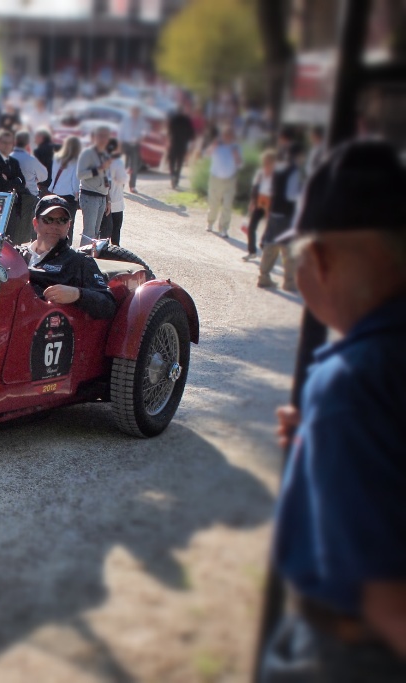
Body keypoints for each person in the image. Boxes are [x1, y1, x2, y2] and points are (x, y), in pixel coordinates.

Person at [261, 139, 406, 682]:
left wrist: (336, 417)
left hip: (346, 653)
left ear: (320, 260)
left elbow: (391, 607)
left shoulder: (351, 381)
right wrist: (322, 438)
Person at [18, 195, 117, 320]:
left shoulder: (79, 261)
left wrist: (76, 294)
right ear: (36, 223)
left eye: (62, 220)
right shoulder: (17, 255)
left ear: (68, 225)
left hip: (49, 326)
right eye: (48, 219)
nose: (54, 226)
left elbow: (108, 304)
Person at [258, 144, 305, 291]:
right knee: (288, 249)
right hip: (286, 214)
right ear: (298, 155)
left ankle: (264, 276)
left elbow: (271, 190)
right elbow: (291, 195)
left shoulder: (278, 168)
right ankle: (289, 282)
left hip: (274, 211)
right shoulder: (294, 171)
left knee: (271, 245)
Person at [0, 129, 32, 244]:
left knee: (11, 241)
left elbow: (22, 182)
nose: (7, 146)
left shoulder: (14, 162)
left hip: (13, 207)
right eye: (4, 143)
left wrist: (11, 181)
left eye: (9, 143)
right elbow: (0, 186)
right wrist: (15, 181)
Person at [76, 126, 113, 246]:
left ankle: (91, 255)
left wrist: (108, 200)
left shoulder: (106, 154)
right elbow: (80, 174)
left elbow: (107, 178)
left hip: (102, 197)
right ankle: (83, 256)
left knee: (96, 233)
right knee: (89, 233)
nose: (103, 139)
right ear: (94, 137)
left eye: (106, 136)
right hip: (89, 196)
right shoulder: (87, 153)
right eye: (100, 136)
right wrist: (98, 169)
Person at [205, 126, 242, 237]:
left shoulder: (235, 148)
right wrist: (213, 147)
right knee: (214, 203)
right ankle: (210, 222)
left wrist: (237, 156)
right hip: (215, 178)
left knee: (227, 205)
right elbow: (206, 155)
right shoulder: (217, 145)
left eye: (230, 135)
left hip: (230, 180)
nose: (227, 137)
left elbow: (240, 164)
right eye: (225, 135)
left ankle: (224, 228)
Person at [243, 149, 276, 262]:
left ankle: (263, 245)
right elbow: (255, 188)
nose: (266, 164)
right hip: (259, 201)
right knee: (251, 227)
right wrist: (252, 202)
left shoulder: (277, 175)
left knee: (269, 228)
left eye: (268, 162)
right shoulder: (260, 173)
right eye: (265, 162)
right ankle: (252, 251)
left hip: (271, 203)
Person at [166, 102, 196, 189]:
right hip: (182, 144)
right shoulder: (187, 121)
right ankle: (176, 178)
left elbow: (169, 132)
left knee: (172, 161)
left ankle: (173, 174)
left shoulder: (173, 120)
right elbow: (191, 134)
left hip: (174, 143)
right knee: (179, 163)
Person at [103, 138, 127, 246]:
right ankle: (115, 252)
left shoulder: (102, 160)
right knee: (116, 231)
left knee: (104, 232)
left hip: (104, 199)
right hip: (117, 201)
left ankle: (102, 251)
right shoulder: (118, 162)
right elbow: (123, 179)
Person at [12, 130, 49, 197]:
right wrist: (34, 180)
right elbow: (44, 176)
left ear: (15, 141)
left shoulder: (7, 157)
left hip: (11, 195)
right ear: (28, 143)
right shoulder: (31, 159)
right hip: (30, 195)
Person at [119, 105, 145, 192]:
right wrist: (120, 144)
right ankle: (121, 185)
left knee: (134, 166)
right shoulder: (126, 120)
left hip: (135, 145)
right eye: (134, 111)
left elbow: (144, 131)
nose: (135, 113)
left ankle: (132, 186)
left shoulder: (140, 121)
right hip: (126, 144)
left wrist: (141, 137)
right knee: (124, 165)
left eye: (137, 112)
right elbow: (121, 132)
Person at [48, 136, 81, 202]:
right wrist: (77, 193)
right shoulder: (76, 161)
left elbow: (53, 174)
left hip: (55, 191)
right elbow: (75, 181)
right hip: (68, 194)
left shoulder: (56, 157)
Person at [33, 128, 55, 193]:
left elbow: (37, 169)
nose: (34, 139)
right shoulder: (58, 148)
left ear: (42, 137)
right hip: (59, 184)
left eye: (36, 137)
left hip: (44, 184)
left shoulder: (38, 151)